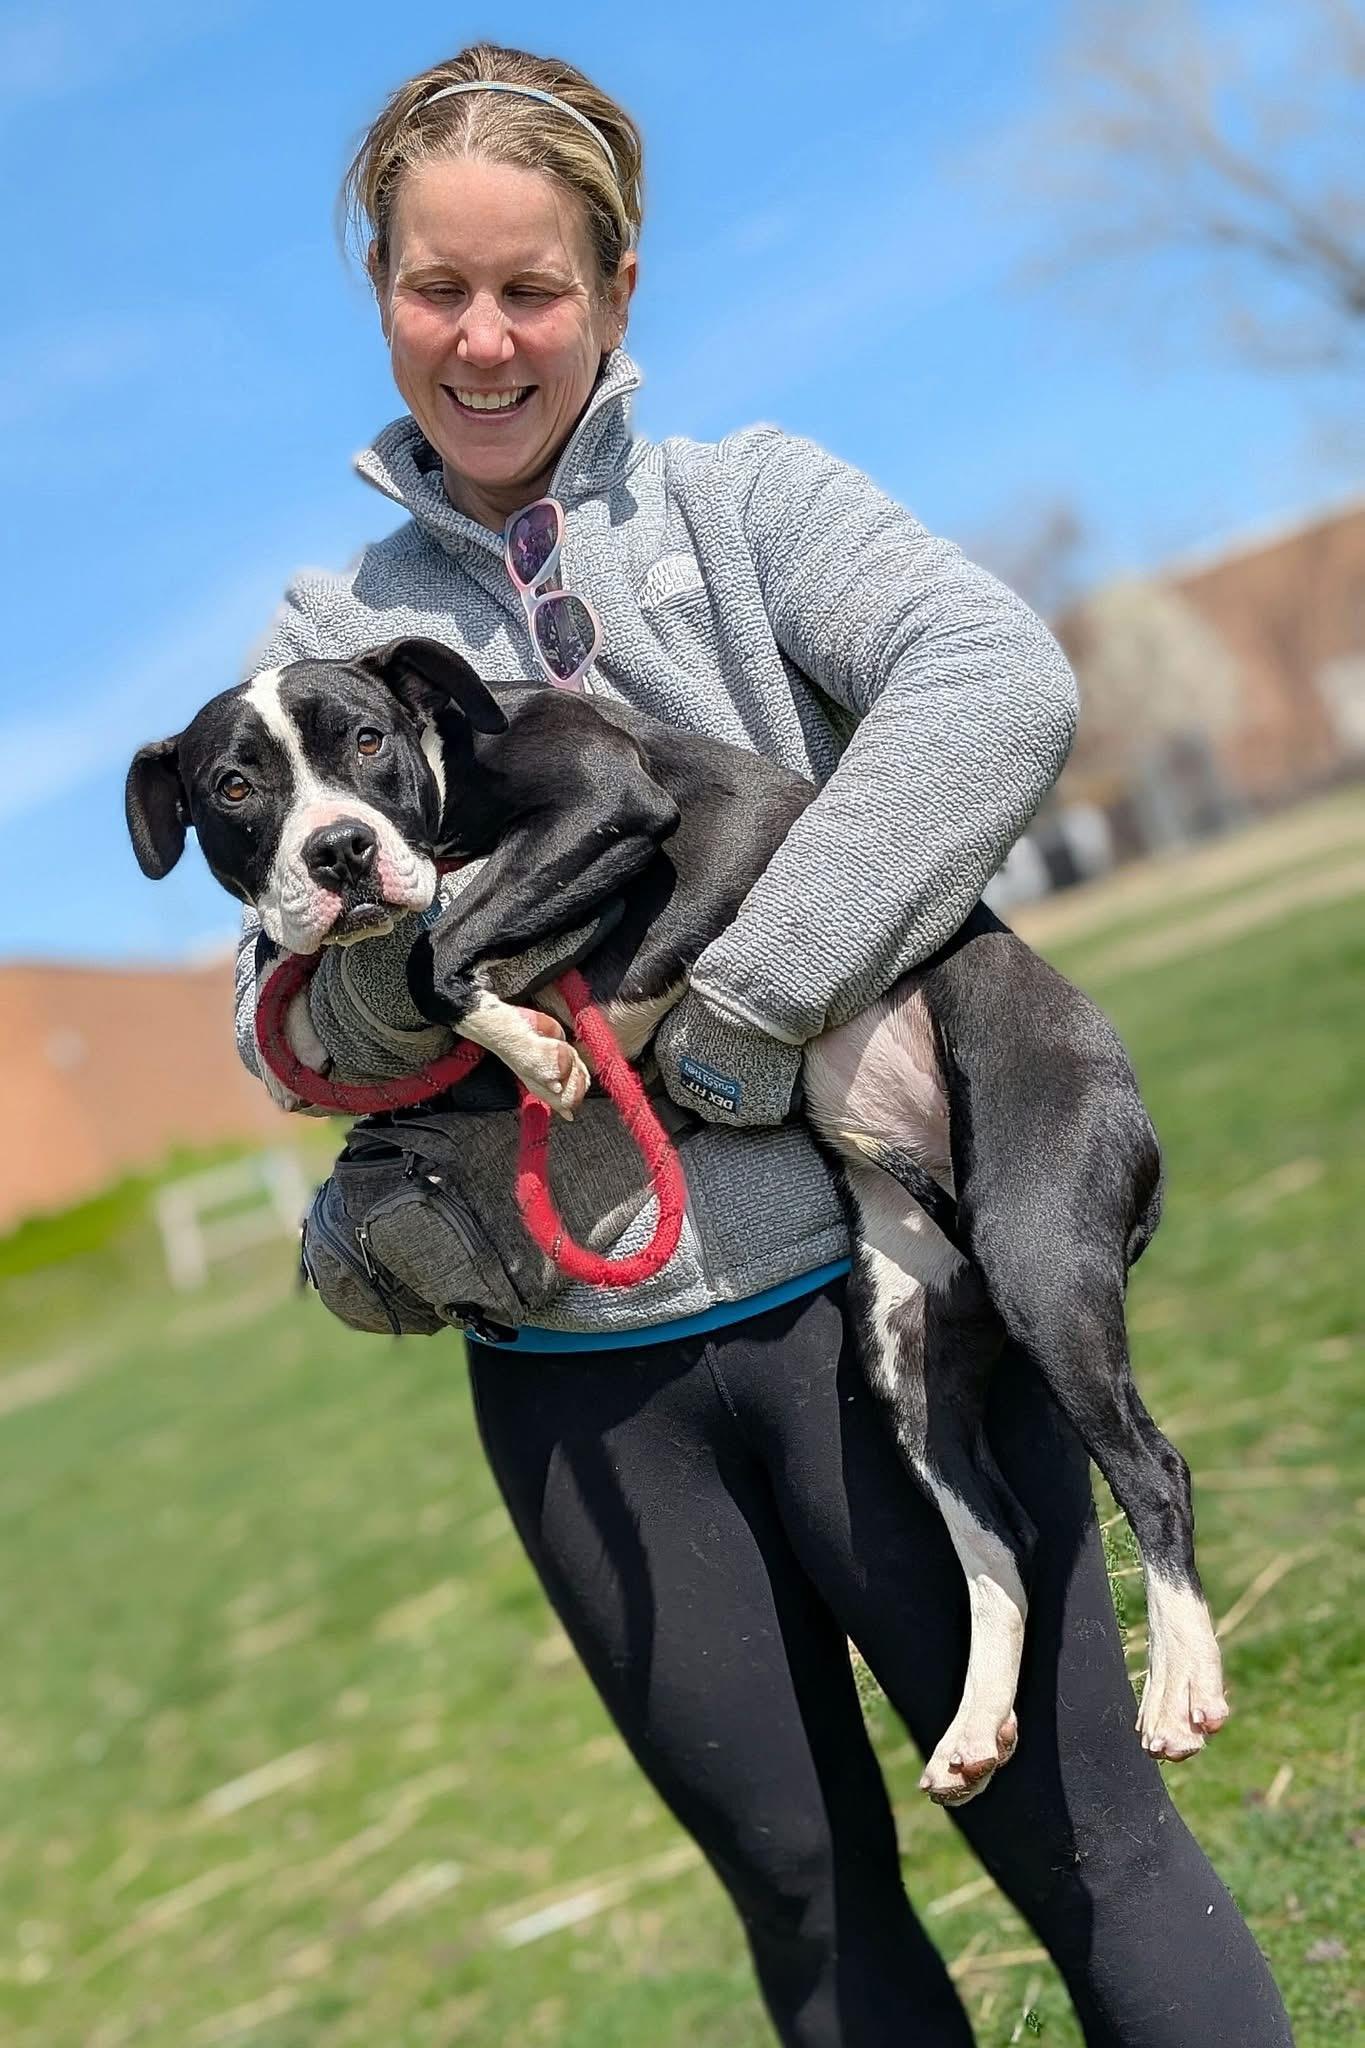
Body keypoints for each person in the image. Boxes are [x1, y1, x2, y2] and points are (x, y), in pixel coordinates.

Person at [234, 43, 1293, 2048]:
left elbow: (989, 683)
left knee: (1093, 1848)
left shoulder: (745, 508)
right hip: (584, 1400)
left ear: (616, 292)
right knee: (807, 1917)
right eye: (434, 287)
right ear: (378, 287)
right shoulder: (328, 635)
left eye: (530, 287)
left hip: (857, 1311)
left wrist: (744, 1003)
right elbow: (279, 1020)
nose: (482, 337)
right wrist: (393, 952)